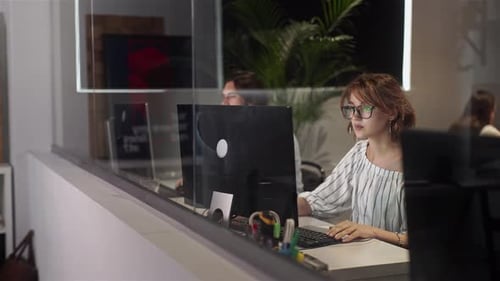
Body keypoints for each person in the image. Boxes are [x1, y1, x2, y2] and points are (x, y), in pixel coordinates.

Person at [297, 73, 416, 248]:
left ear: (391, 112)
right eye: (352, 107)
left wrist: (372, 231)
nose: (355, 116)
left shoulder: (415, 163)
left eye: (366, 108)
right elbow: (319, 200)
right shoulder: (359, 152)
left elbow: (424, 238)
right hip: (363, 257)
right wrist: (273, 204)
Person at [221, 70, 304, 193]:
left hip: (276, 208)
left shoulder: (277, 134)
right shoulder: (231, 134)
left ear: (251, 101)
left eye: (231, 96)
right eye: (223, 97)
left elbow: (277, 190)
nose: (224, 103)